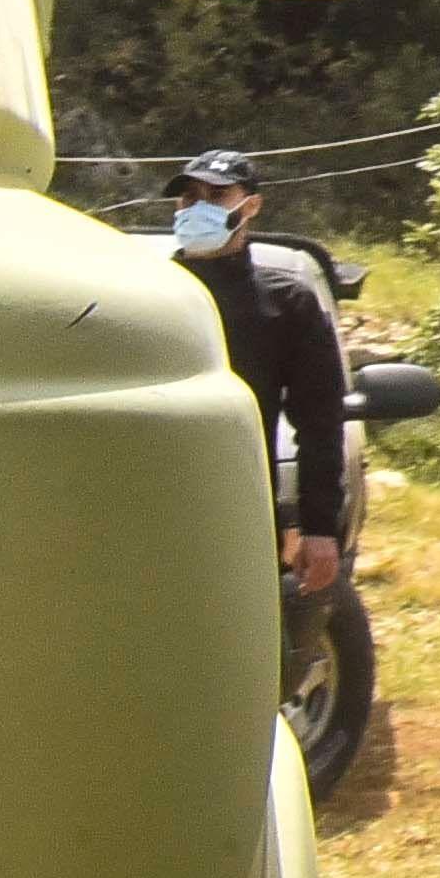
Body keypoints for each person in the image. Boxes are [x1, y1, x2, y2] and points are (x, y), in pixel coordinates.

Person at [163, 153, 356, 631]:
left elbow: (319, 421)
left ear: (250, 207)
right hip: (141, 511)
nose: (199, 206)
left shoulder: (286, 303)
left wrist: (318, 529)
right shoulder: (144, 294)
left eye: (216, 195)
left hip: (237, 515)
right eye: (190, 196)